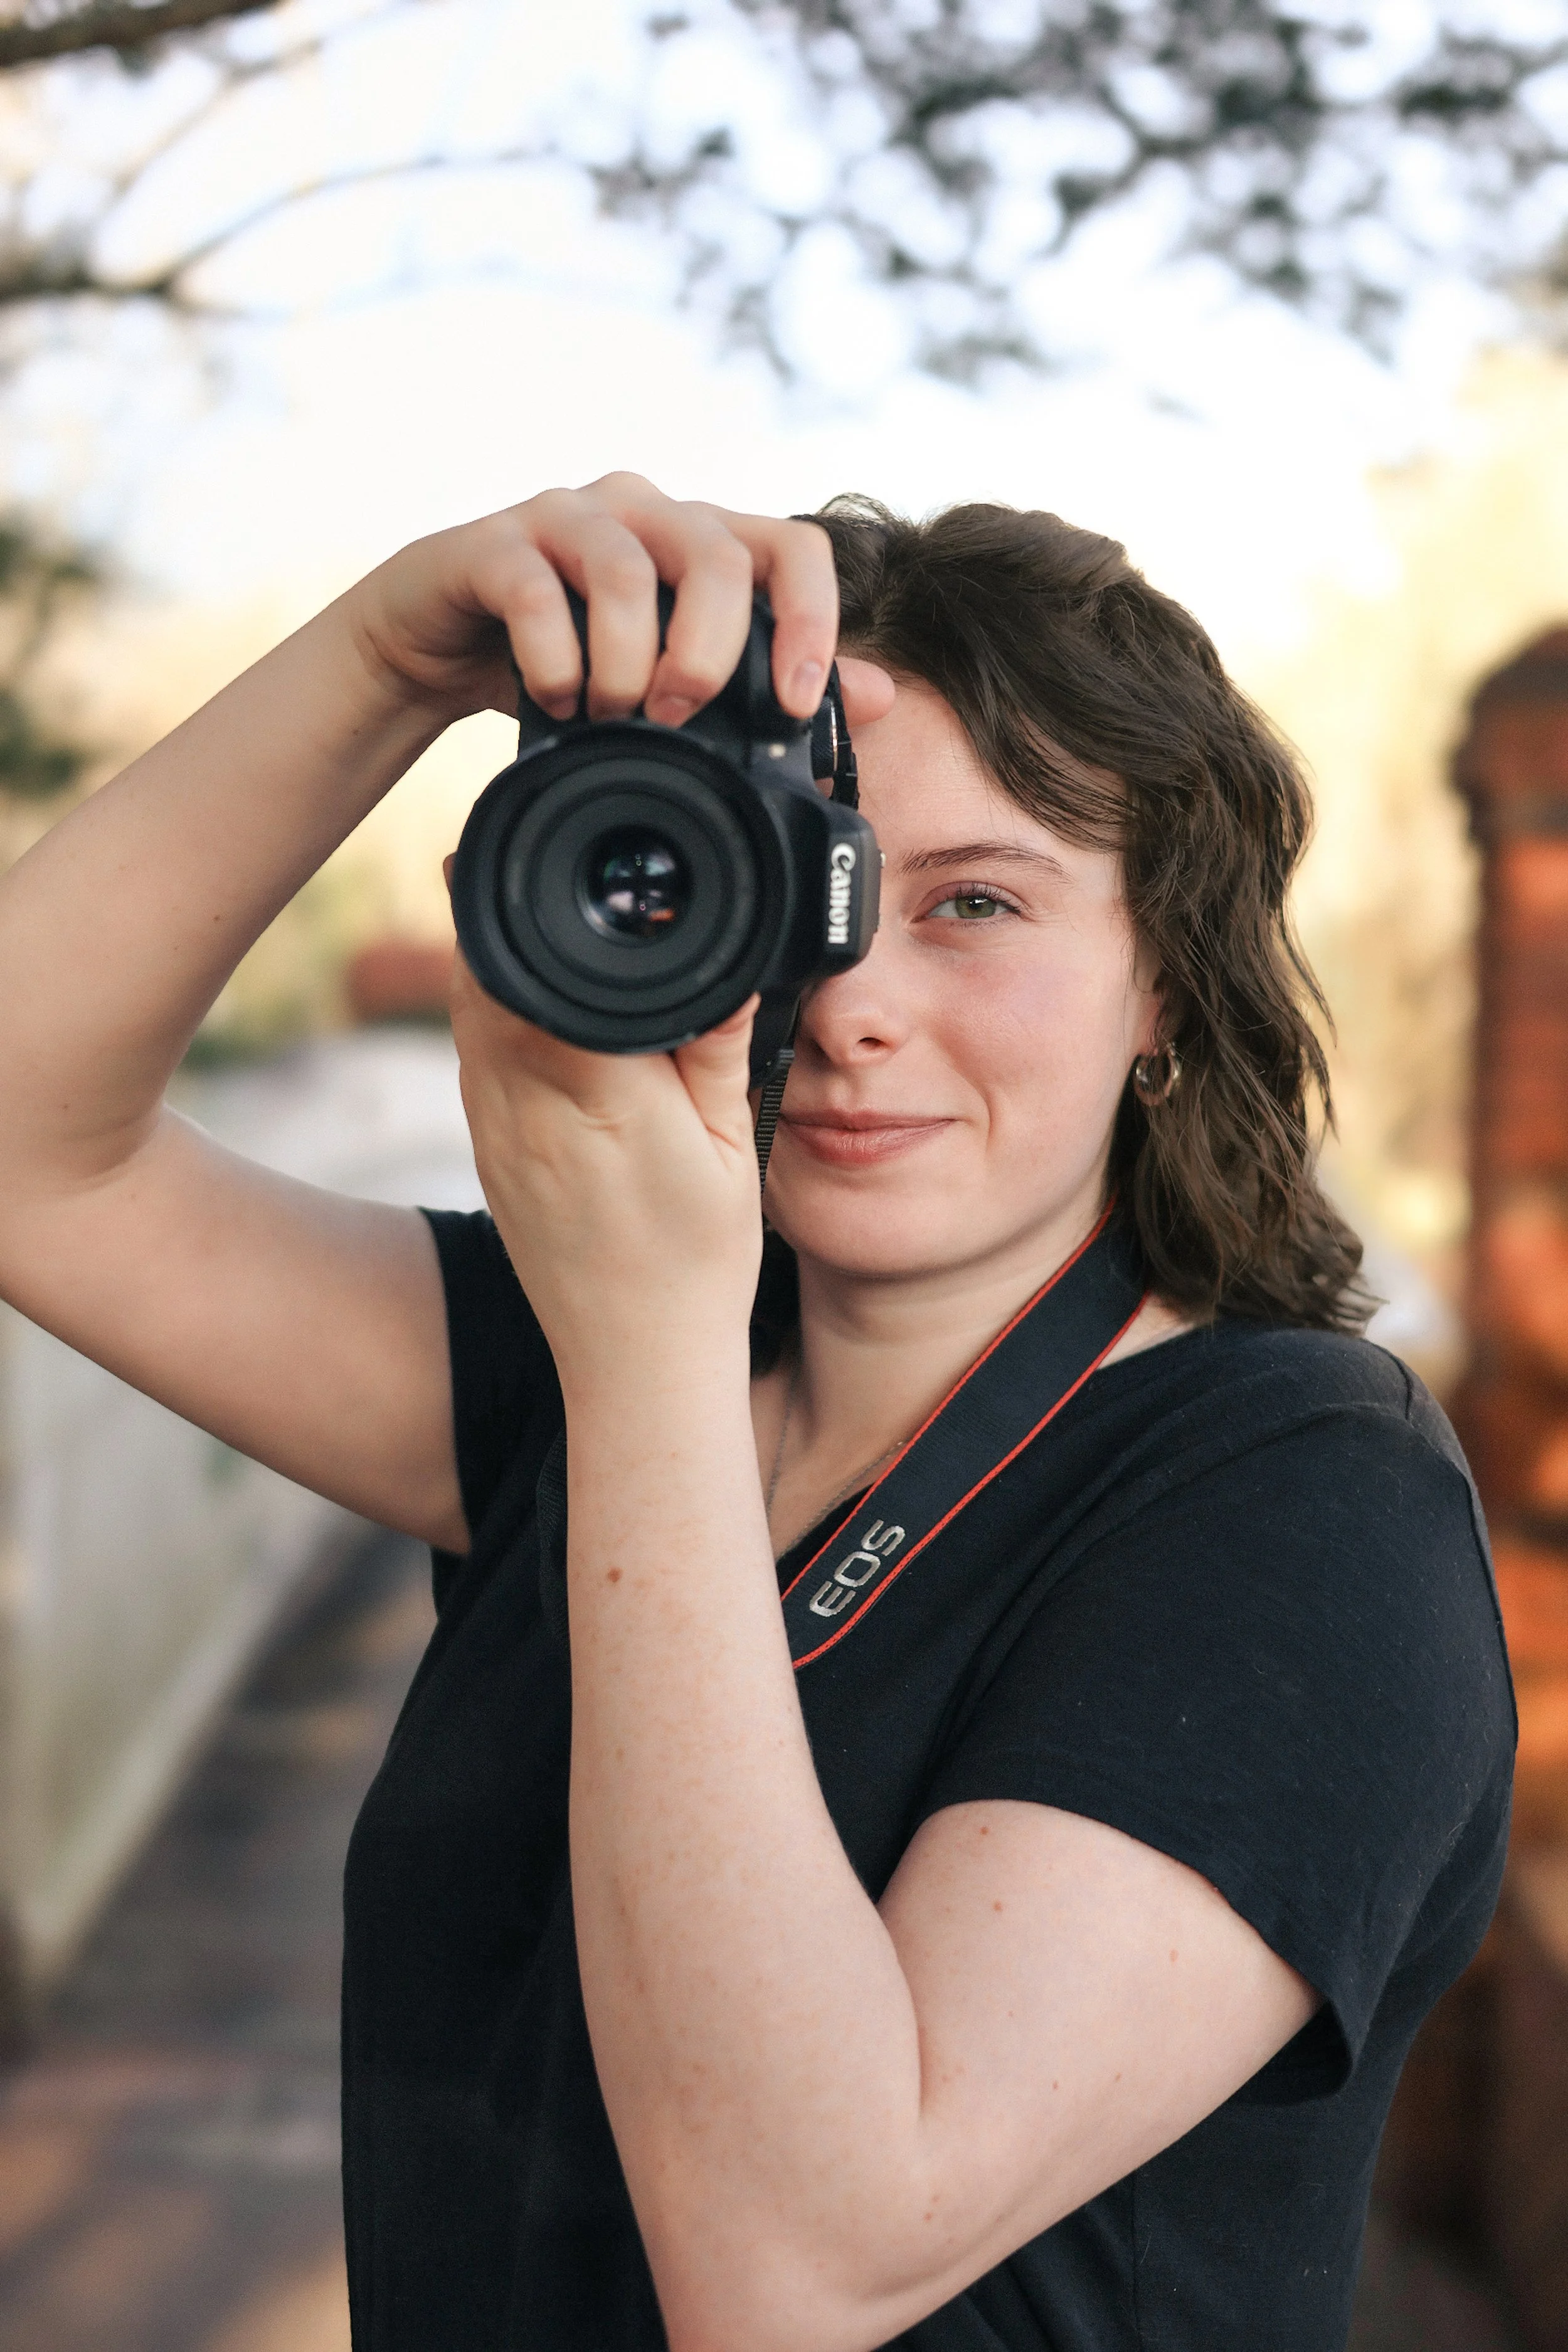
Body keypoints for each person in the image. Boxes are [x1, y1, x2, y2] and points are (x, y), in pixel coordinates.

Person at [0, 474, 1512, 2352]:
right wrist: (386, 658)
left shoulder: (1299, 1504)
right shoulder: (596, 1355)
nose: (854, 1005)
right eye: (800, 889)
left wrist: (640, 1330)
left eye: (973, 901)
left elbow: (797, 2265)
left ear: (1163, 987)